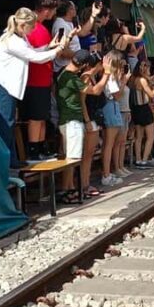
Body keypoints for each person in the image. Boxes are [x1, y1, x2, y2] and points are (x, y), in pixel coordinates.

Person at [0, 8, 70, 169]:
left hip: (6, 84)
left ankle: (11, 161)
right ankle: (3, 163)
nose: (32, 31)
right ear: (23, 25)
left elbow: (32, 52)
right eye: (31, 27)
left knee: (9, 122)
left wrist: (50, 46)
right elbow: (34, 58)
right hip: (1, 83)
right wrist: (58, 50)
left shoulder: (19, 37)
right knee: (5, 123)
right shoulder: (11, 40)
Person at [22, 0, 61, 162]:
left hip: (44, 79)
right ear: (46, 10)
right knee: (35, 117)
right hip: (34, 80)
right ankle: (33, 151)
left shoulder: (43, 28)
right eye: (53, 10)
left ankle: (41, 148)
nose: (53, 14)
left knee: (43, 117)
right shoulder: (30, 27)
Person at [54, 49, 94, 204]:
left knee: (69, 157)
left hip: (65, 120)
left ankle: (69, 188)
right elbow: (95, 91)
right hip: (72, 122)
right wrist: (105, 74)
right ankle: (67, 190)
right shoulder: (71, 78)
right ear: (83, 65)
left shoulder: (62, 74)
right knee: (72, 158)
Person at [79, 52, 110, 197]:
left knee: (89, 154)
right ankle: (84, 185)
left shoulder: (91, 77)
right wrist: (87, 121)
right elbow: (82, 101)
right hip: (89, 118)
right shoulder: (85, 77)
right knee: (87, 154)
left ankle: (86, 183)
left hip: (94, 117)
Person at [100, 50, 128, 187]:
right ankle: (106, 174)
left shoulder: (109, 76)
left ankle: (107, 172)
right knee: (109, 144)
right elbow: (117, 95)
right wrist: (123, 81)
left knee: (110, 143)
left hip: (112, 107)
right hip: (111, 106)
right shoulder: (110, 77)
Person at [129, 59, 154, 169]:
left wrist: (151, 79)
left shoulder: (133, 79)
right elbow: (152, 94)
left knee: (139, 136)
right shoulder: (142, 80)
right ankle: (144, 160)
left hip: (135, 109)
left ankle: (138, 160)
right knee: (150, 136)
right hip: (144, 108)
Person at [113, 59, 134, 176]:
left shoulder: (123, 80)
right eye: (121, 67)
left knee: (123, 142)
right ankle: (116, 167)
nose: (123, 69)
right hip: (119, 111)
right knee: (118, 142)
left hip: (126, 110)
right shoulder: (115, 81)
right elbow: (118, 95)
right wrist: (124, 81)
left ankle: (121, 165)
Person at [52, 0, 80, 74]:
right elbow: (62, 51)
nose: (75, 10)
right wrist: (80, 57)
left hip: (71, 67)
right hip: (63, 69)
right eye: (74, 8)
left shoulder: (69, 23)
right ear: (68, 11)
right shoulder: (60, 26)